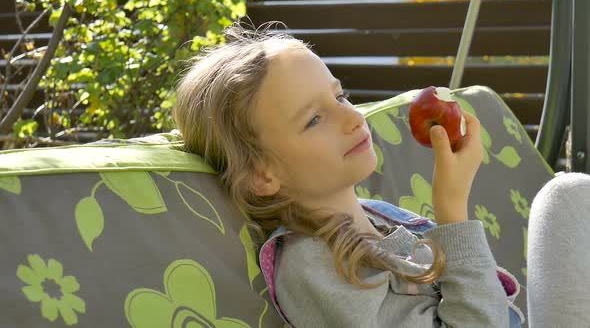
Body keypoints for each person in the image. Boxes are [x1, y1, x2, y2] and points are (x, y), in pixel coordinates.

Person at [172, 20, 590, 327]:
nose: (352, 117)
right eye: (315, 119)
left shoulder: (383, 219)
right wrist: (452, 211)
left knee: (571, 196)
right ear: (261, 175)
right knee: (568, 197)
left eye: (340, 95)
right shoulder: (311, 265)